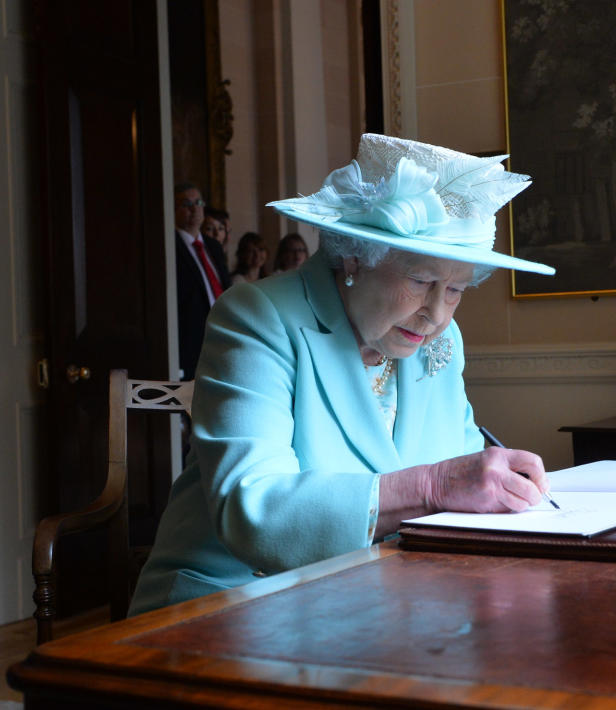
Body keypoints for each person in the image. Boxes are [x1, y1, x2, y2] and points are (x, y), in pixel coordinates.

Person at [130, 134, 555, 614]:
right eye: (420, 281)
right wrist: (432, 487)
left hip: (378, 605)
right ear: (354, 256)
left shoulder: (441, 341)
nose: (437, 314)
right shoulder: (257, 316)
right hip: (232, 607)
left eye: (456, 289)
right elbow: (253, 512)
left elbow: (464, 483)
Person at [173, 182, 231, 380]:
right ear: (174, 209)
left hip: (222, 331)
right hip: (191, 337)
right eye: (186, 203)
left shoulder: (213, 246)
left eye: (198, 202)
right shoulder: (171, 245)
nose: (194, 208)